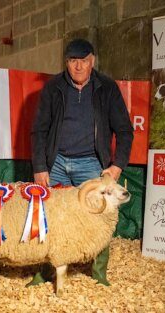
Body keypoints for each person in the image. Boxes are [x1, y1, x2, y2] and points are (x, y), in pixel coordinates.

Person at [28, 38, 133, 287]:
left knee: (101, 217)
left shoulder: (107, 87)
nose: (78, 66)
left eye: (83, 61)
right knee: (49, 217)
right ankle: (46, 271)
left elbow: (125, 131)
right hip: (58, 162)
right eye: (73, 61)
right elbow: (39, 130)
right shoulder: (53, 88)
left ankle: (98, 273)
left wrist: (117, 165)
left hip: (91, 163)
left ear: (92, 61)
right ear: (66, 63)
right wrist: (40, 167)